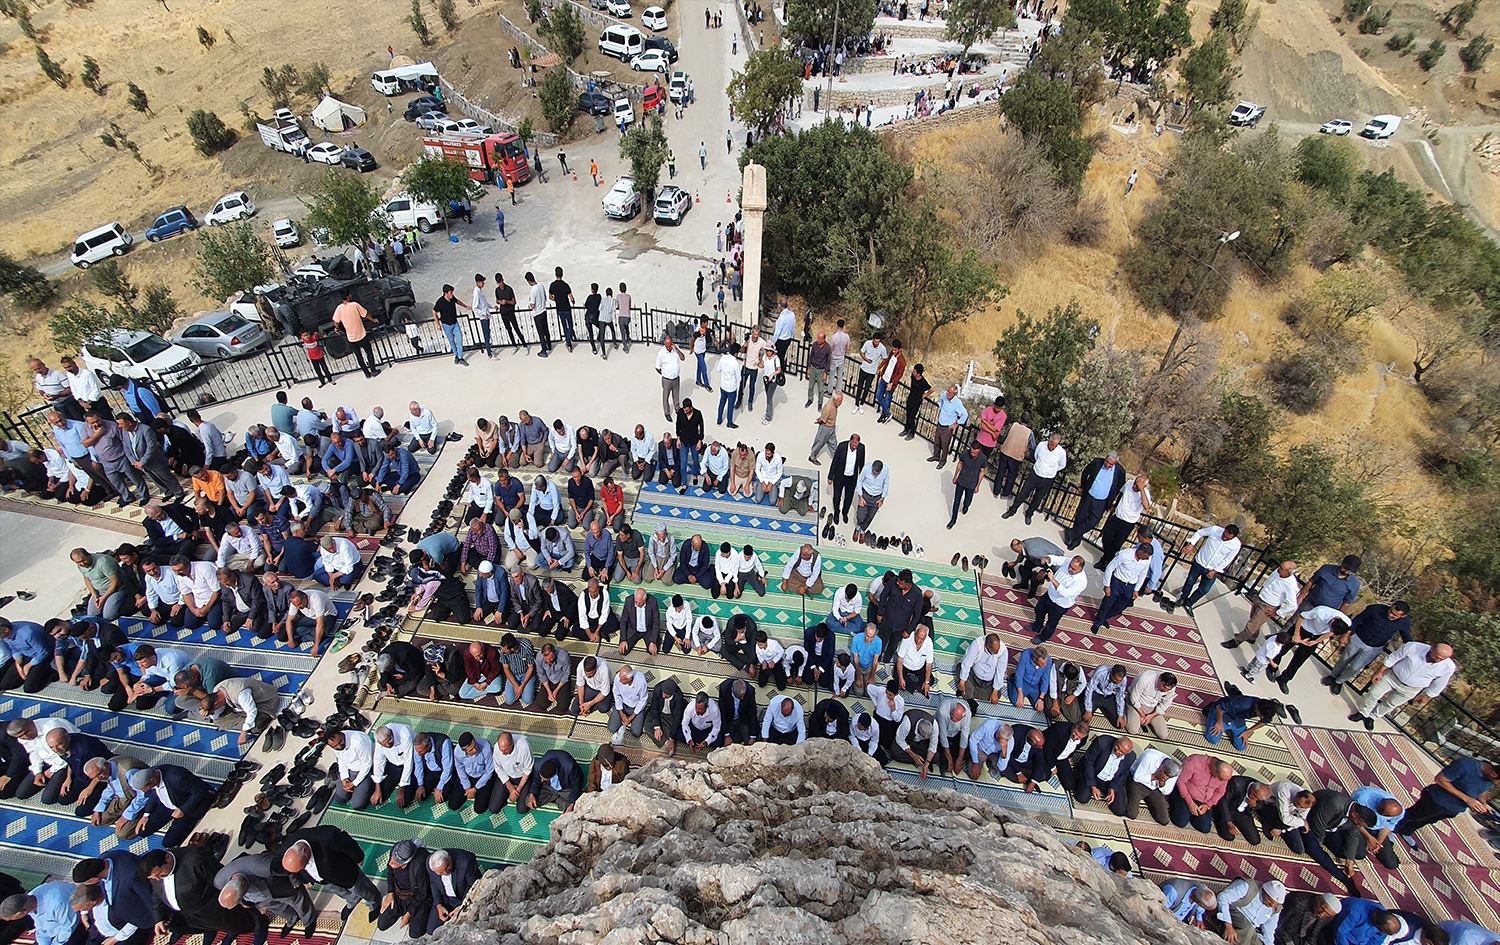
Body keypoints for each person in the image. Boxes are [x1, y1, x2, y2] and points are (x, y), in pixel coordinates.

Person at [278, 827, 381, 923]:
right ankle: (352, 900)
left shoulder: (328, 837)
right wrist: (303, 880)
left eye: (304, 865)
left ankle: (374, 901)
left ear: (305, 851)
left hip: (343, 871)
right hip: (322, 879)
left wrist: (358, 857)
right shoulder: (285, 850)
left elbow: (347, 843)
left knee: (362, 888)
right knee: (338, 891)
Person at [1348, 641, 1456, 731]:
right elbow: (1393, 658)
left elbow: (1439, 683)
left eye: (1442, 659)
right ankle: (1364, 712)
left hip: (1411, 688)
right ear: (1431, 648)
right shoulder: (1413, 647)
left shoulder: (1448, 667)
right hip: (1392, 676)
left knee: (1391, 704)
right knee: (1373, 693)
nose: (1438, 660)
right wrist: (1379, 672)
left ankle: (1373, 717)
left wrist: (1427, 696)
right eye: (1436, 656)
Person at [1395, 754, 1499, 847]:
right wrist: (1467, 799)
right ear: (1493, 774)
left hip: (1454, 809)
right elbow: (1440, 779)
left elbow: (1483, 790)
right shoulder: (1465, 765)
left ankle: (1406, 831)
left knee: (1428, 820)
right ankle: (1391, 829)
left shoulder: (1489, 779)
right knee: (1413, 815)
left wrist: (1484, 803)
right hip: (1436, 800)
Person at [1323, 600, 1414, 695]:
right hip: (1358, 638)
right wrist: (1346, 635)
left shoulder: (1404, 623)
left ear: (1402, 616)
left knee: (1355, 667)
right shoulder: (1375, 609)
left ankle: (1339, 682)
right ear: (1391, 606)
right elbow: (1357, 620)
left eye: (1394, 615)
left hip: (1374, 648)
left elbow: (1407, 638)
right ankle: (1332, 676)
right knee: (1344, 659)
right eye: (1391, 611)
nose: (1390, 614)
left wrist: (1413, 651)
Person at [1175, 522, 1243, 614]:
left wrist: (1215, 570)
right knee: (1190, 582)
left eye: (1227, 538)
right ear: (1224, 530)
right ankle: (1183, 599)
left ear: (1233, 537)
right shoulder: (1215, 530)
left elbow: (1227, 559)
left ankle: (1189, 603)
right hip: (1199, 562)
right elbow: (1200, 532)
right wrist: (1191, 544)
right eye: (1224, 535)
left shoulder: (1236, 545)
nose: (1224, 538)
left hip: (1212, 569)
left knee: (1204, 589)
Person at [1066, 451, 1127, 549]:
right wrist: (1082, 486)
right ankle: (1074, 540)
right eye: (1107, 462)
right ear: (1105, 458)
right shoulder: (1097, 462)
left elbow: (1119, 486)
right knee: (1080, 517)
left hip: (1102, 501)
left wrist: (1113, 499)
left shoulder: (1120, 471)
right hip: (1089, 495)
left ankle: (1071, 533)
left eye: (1110, 464)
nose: (1107, 465)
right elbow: (1085, 472)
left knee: (1093, 521)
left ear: (1115, 463)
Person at [1003, 431, 1066, 524]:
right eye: (1051, 444)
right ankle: (1012, 510)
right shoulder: (1041, 445)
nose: (1052, 446)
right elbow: (1036, 456)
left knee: (1038, 498)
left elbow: (1062, 465)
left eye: (1055, 445)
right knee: (1023, 493)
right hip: (1035, 474)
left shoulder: (1061, 452)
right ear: (1049, 440)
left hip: (1048, 479)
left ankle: (1029, 514)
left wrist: (1051, 470)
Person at [1091, 543, 1154, 634]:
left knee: (1119, 607)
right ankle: (1098, 623)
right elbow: (1110, 568)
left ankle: (1104, 618)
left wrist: (1136, 589)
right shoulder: (1124, 555)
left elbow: (1143, 574)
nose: (1147, 559)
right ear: (1140, 552)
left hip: (1130, 586)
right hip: (1117, 582)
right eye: (1146, 556)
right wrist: (1107, 585)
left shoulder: (1147, 560)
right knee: (1107, 604)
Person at [1172, 755, 1234, 833]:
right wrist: (1190, 803)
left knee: (1204, 829)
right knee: (1180, 822)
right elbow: (1181, 782)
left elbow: (1220, 792)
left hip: (1204, 802)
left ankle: (1192, 815)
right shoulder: (1193, 762)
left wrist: (1208, 805)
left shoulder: (1224, 775)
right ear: (1215, 770)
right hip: (1186, 795)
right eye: (1220, 779)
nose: (1222, 781)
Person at [1217, 879, 1286, 945]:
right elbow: (1222, 898)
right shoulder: (1247, 886)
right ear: (1264, 891)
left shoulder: (1275, 909)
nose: (1272, 905)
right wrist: (1228, 926)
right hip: (1235, 913)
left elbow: (1269, 931)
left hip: (1252, 930)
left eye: (1276, 904)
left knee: (1257, 940)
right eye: (1269, 900)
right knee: (1248, 928)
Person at [1203, 694, 1279, 751]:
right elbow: (1219, 707)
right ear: (1257, 707)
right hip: (1223, 713)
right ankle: (1210, 711)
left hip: (1238, 718)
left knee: (1241, 747)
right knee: (1212, 739)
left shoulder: (1265, 710)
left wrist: (1248, 731)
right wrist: (1219, 723)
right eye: (1261, 715)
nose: (1261, 717)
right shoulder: (1243, 704)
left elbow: (1264, 721)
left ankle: (1230, 728)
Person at [518, 750, 583, 814]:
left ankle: (556, 799)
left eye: (544, 779)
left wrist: (571, 804)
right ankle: (557, 799)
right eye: (541, 778)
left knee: (578, 803)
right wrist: (532, 794)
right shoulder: (539, 765)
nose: (541, 780)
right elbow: (536, 780)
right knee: (529, 800)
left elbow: (576, 786)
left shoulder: (569, 767)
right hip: (549, 787)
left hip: (566, 788)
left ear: (554, 775)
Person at [1126, 669, 1178, 740]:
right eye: (1164, 687)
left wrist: (1151, 716)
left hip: (1152, 707)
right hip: (1136, 704)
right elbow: (1134, 698)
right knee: (1132, 730)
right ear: (1159, 679)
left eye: (1168, 690)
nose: (1165, 691)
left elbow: (1165, 704)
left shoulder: (1171, 687)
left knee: (1163, 735)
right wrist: (1142, 715)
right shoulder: (1145, 678)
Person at [828, 434, 865, 523]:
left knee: (849, 498)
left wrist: (862, 478)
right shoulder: (842, 446)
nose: (855, 446)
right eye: (853, 443)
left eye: (857, 444)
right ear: (850, 441)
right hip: (840, 476)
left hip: (851, 478)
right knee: (836, 497)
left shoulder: (862, 448)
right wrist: (830, 476)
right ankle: (836, 513)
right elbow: (835, 461)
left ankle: (845, 513)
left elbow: (861, 464)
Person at [656, 336, 686, 421]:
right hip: (666, 379)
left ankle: (677, 408)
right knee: (665, 396)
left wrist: (677, 349)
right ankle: (667, 412)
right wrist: (665, 374)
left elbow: (683, 358)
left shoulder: (675, 348)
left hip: (676, 378)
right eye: (667, 346)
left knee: (676, 395)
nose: (669, 348)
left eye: (670, 345)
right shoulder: (661, 353)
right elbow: (657, 367)